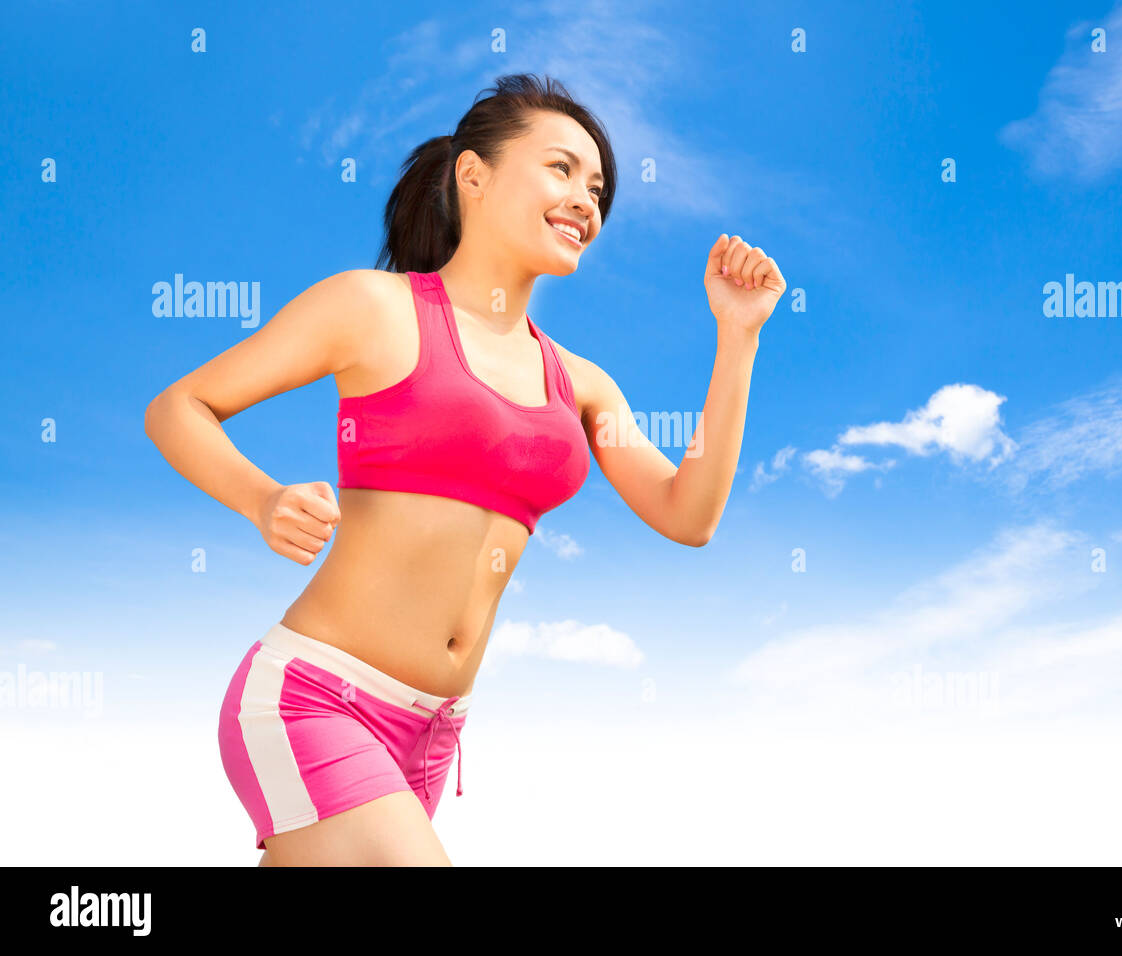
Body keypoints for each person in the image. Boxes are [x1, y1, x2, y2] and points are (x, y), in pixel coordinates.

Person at [143, 73, 784, 866]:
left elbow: (689, 515)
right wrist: (261, 496)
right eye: (561, 169)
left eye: (599, 187)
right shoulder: (373, 309)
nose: (586, 197)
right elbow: (180, 407)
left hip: (432, 739)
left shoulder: (580, 385)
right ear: (473, 176)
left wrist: (739, 336)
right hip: (316, 699)